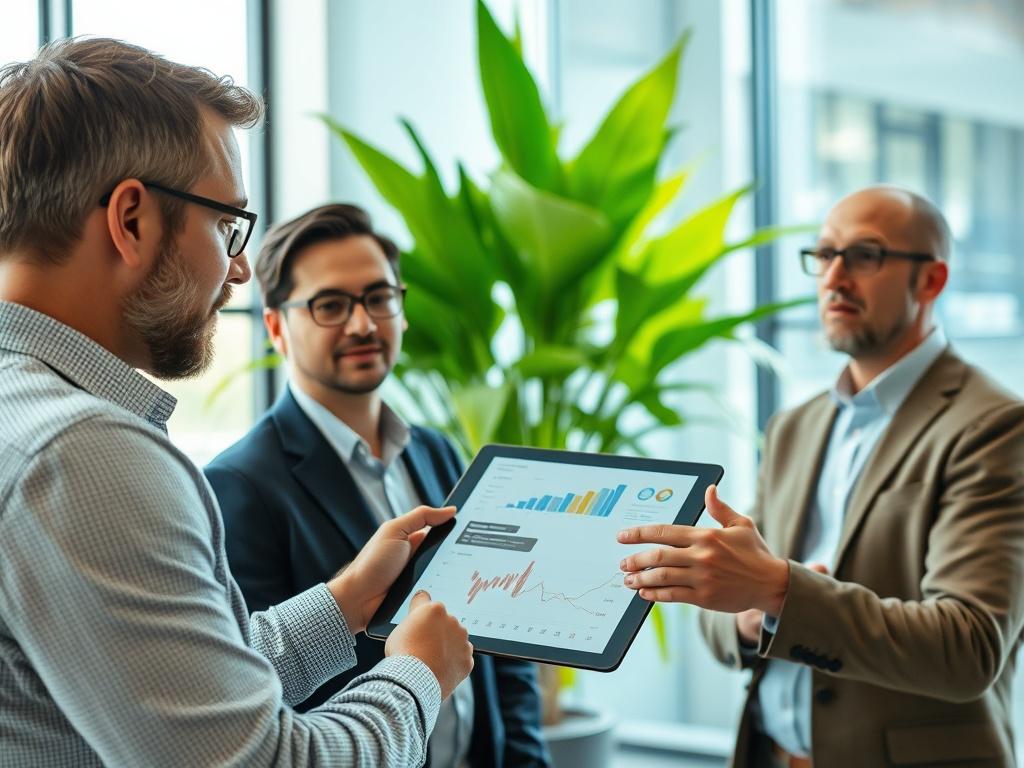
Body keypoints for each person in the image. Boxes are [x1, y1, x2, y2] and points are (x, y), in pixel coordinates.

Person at [0, 38, 474, 768]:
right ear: (131, 220)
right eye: (226, 226)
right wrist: (417, 675)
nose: (239, 269)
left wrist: (345, 602)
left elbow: (175, 688)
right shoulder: (82, 452)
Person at [617, 186, 1024, 767]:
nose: (834, 277)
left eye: (865, 255)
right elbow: (729, 614)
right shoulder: (794, 426)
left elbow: (969, 648)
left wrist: (780, 589)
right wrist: (752, 613)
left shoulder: (995, 425)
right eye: (824, 255)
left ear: (931, 281)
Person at [205, 203, 550, 767]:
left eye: (379, 297)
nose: (363, 324)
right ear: (275, 328)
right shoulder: (238, 486)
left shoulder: (439, 453)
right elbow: (259, 692)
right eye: (331, 305)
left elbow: (501, 644)